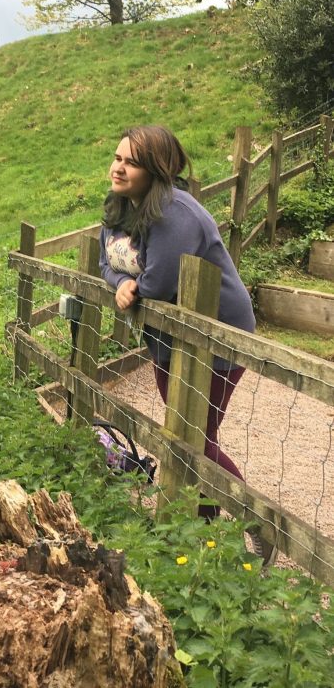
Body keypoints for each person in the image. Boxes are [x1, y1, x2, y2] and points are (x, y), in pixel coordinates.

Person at [98, 125, 275, 563]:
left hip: (215, 334)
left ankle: (258, 524)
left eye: (131, 161)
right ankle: (204, 527)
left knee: (193, 435)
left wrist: (132, 284)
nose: (119, 167)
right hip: (167, 336)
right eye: (118, 158)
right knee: (186, 431)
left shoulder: (175, 214)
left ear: (156, 169)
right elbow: (106, 260)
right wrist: (121, 281)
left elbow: (156, 283)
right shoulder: (122, 207)